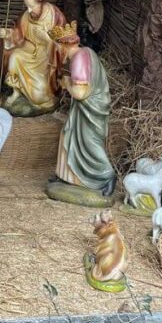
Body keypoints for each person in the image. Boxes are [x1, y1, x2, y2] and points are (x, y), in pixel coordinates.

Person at [48, 21, 116, 197]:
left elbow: (80, 93)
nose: (56, 52)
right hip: (83, 109)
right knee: (68, 136)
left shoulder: (78, 60)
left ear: (64, 46)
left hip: (91, 110)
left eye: (57, 47)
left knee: (89, 143)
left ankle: (106, 176)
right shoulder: (85, 53)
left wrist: (66, 82)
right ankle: (68, 177)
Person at [0, 0, 65, 111]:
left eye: (32, 6)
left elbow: (63, 43)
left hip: (47, 59)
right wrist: (8, 33)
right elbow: (19, 35)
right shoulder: (26, 16)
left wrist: (47, 39)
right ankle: (16, 92)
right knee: (15, 56)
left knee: (39, 97)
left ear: (41, 2)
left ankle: (46, 94)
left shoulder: (54, 15)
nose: (29, 10)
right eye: (27, 6)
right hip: (31, 51)